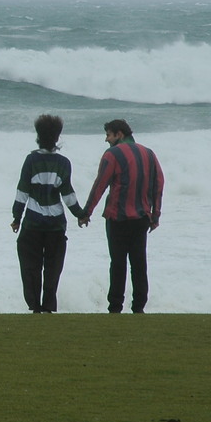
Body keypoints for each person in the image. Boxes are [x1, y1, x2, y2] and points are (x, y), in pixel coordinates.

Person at [79, 119, 165, 314]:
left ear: (119, 134)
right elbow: (158, 184)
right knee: (139, 263)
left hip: (117, 218)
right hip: (141, 218)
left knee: (118, 263)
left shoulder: (112, 154)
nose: (106, 139)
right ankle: (139, 307)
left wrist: (86, 213)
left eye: (108, 135)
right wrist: (155, 215)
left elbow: (100, 185)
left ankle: (116, 307)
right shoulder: (149, 154)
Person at [10, 114, 86, 313]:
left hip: (33, 223)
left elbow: (22, 192)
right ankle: (49, 306)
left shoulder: (31, 160)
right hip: (56, 224)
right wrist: (80, 214)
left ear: (38, 136)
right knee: (53, 268)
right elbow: (68, 194)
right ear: (57, 137)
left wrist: (16, 217)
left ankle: (35, 306)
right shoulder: (64, 163)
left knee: (30, 266)